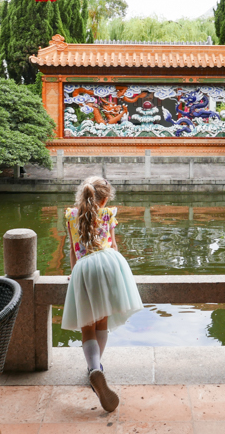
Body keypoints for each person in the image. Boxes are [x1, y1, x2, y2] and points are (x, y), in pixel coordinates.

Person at [62, 176, 143, 412]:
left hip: (84, 268)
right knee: (102, 324)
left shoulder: (70, 216)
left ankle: (94, 368)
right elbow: (114, 246)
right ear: (105, 199)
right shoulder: (107, 214)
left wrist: (74, 273)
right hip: (108, 265)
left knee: (86, 327)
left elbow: (72, 250)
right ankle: (97, 370)